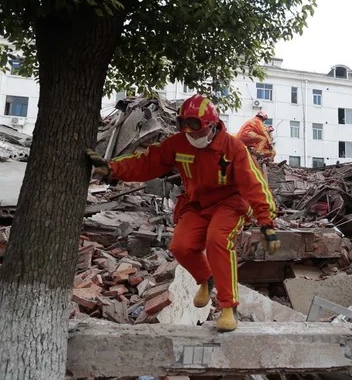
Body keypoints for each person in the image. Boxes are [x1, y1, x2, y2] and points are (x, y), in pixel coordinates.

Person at [86, 95, 280, 332]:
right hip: (196, 204)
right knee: (180, 247)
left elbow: (254, 185)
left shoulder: (233, 148)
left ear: (211, 125)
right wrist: (111, 169)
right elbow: (147, 162)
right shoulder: (179, 144)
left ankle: (229, 308)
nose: (191, 134)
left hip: (229, 203)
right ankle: (205, 279)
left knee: (217, 240)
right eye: (184, 127)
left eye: (196, 128)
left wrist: (266, 222)